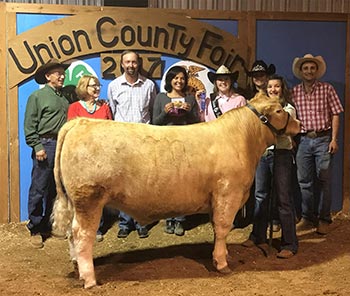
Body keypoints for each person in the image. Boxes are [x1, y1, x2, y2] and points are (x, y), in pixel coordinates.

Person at [242, 74, 299, 258]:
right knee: (260, 195)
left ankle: (289, 243)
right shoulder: (263, 111)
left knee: (283, 198)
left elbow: (286, 132)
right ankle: (257, 235)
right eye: (271, 87)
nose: (273, 90)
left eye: (277, 87)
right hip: (264, 153)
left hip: (281, 153)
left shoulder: (287, 109)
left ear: (282, 89)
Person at [292, 54, 344, 235]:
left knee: (324, 181)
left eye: (312, 68)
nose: (309, 71)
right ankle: (307, 218)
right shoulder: (294, 92)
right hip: (304, 139)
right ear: (301, 71)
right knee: (304, 181)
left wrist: (334, 139)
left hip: (323, 138)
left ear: (317, 71)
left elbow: (336, 113)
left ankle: (324, 219)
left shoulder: (327, 89)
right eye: (305, 68)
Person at [107, 50, 157, 239]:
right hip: (122, 141)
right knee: (122, 185)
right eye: (127, 62)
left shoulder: (149, 85)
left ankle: (141, 222)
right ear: (122, 64)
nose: (131, 65)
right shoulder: (113, 86)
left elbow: (152, 110)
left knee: (143, 184)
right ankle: (125, 223)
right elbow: (112, 111)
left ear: (139, 64)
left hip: (144, 140)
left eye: (134, 62)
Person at [24, 58, 70, 248]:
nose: (62, 75)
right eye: (57, 73)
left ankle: (50, 224)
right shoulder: (37, 96)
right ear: (47, 76)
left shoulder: (65, 96)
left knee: (56, 187)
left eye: (62, 72)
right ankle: (35, 228)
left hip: (63, 144)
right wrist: (37, 146)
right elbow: (29, 125)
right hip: (46, 144)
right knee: (39, 187)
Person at [152, 65, 200, 236]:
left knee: (183, 185)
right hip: (164, 146)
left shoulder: (191, 99)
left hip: (185, 146)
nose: (179, 81)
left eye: (182, 78)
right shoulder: (160, 98)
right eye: (176, 78)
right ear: (170, 80)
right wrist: (165, 113)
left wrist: (189, 113)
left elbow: (197, 125)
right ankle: (168, 219)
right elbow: (154, 124)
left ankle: (180, 220)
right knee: (166, 183)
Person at [67, 74, 114, 242]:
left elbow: (111, 129)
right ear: (83, 88)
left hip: (101, 157)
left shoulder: (104, 107)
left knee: (97, 194)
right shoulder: (74, 107)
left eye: (98, 85)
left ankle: (96, 228)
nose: (96, 88)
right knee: (80, 194)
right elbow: (72, 133)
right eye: (92, 86)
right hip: (81, 158)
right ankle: (76, 227)